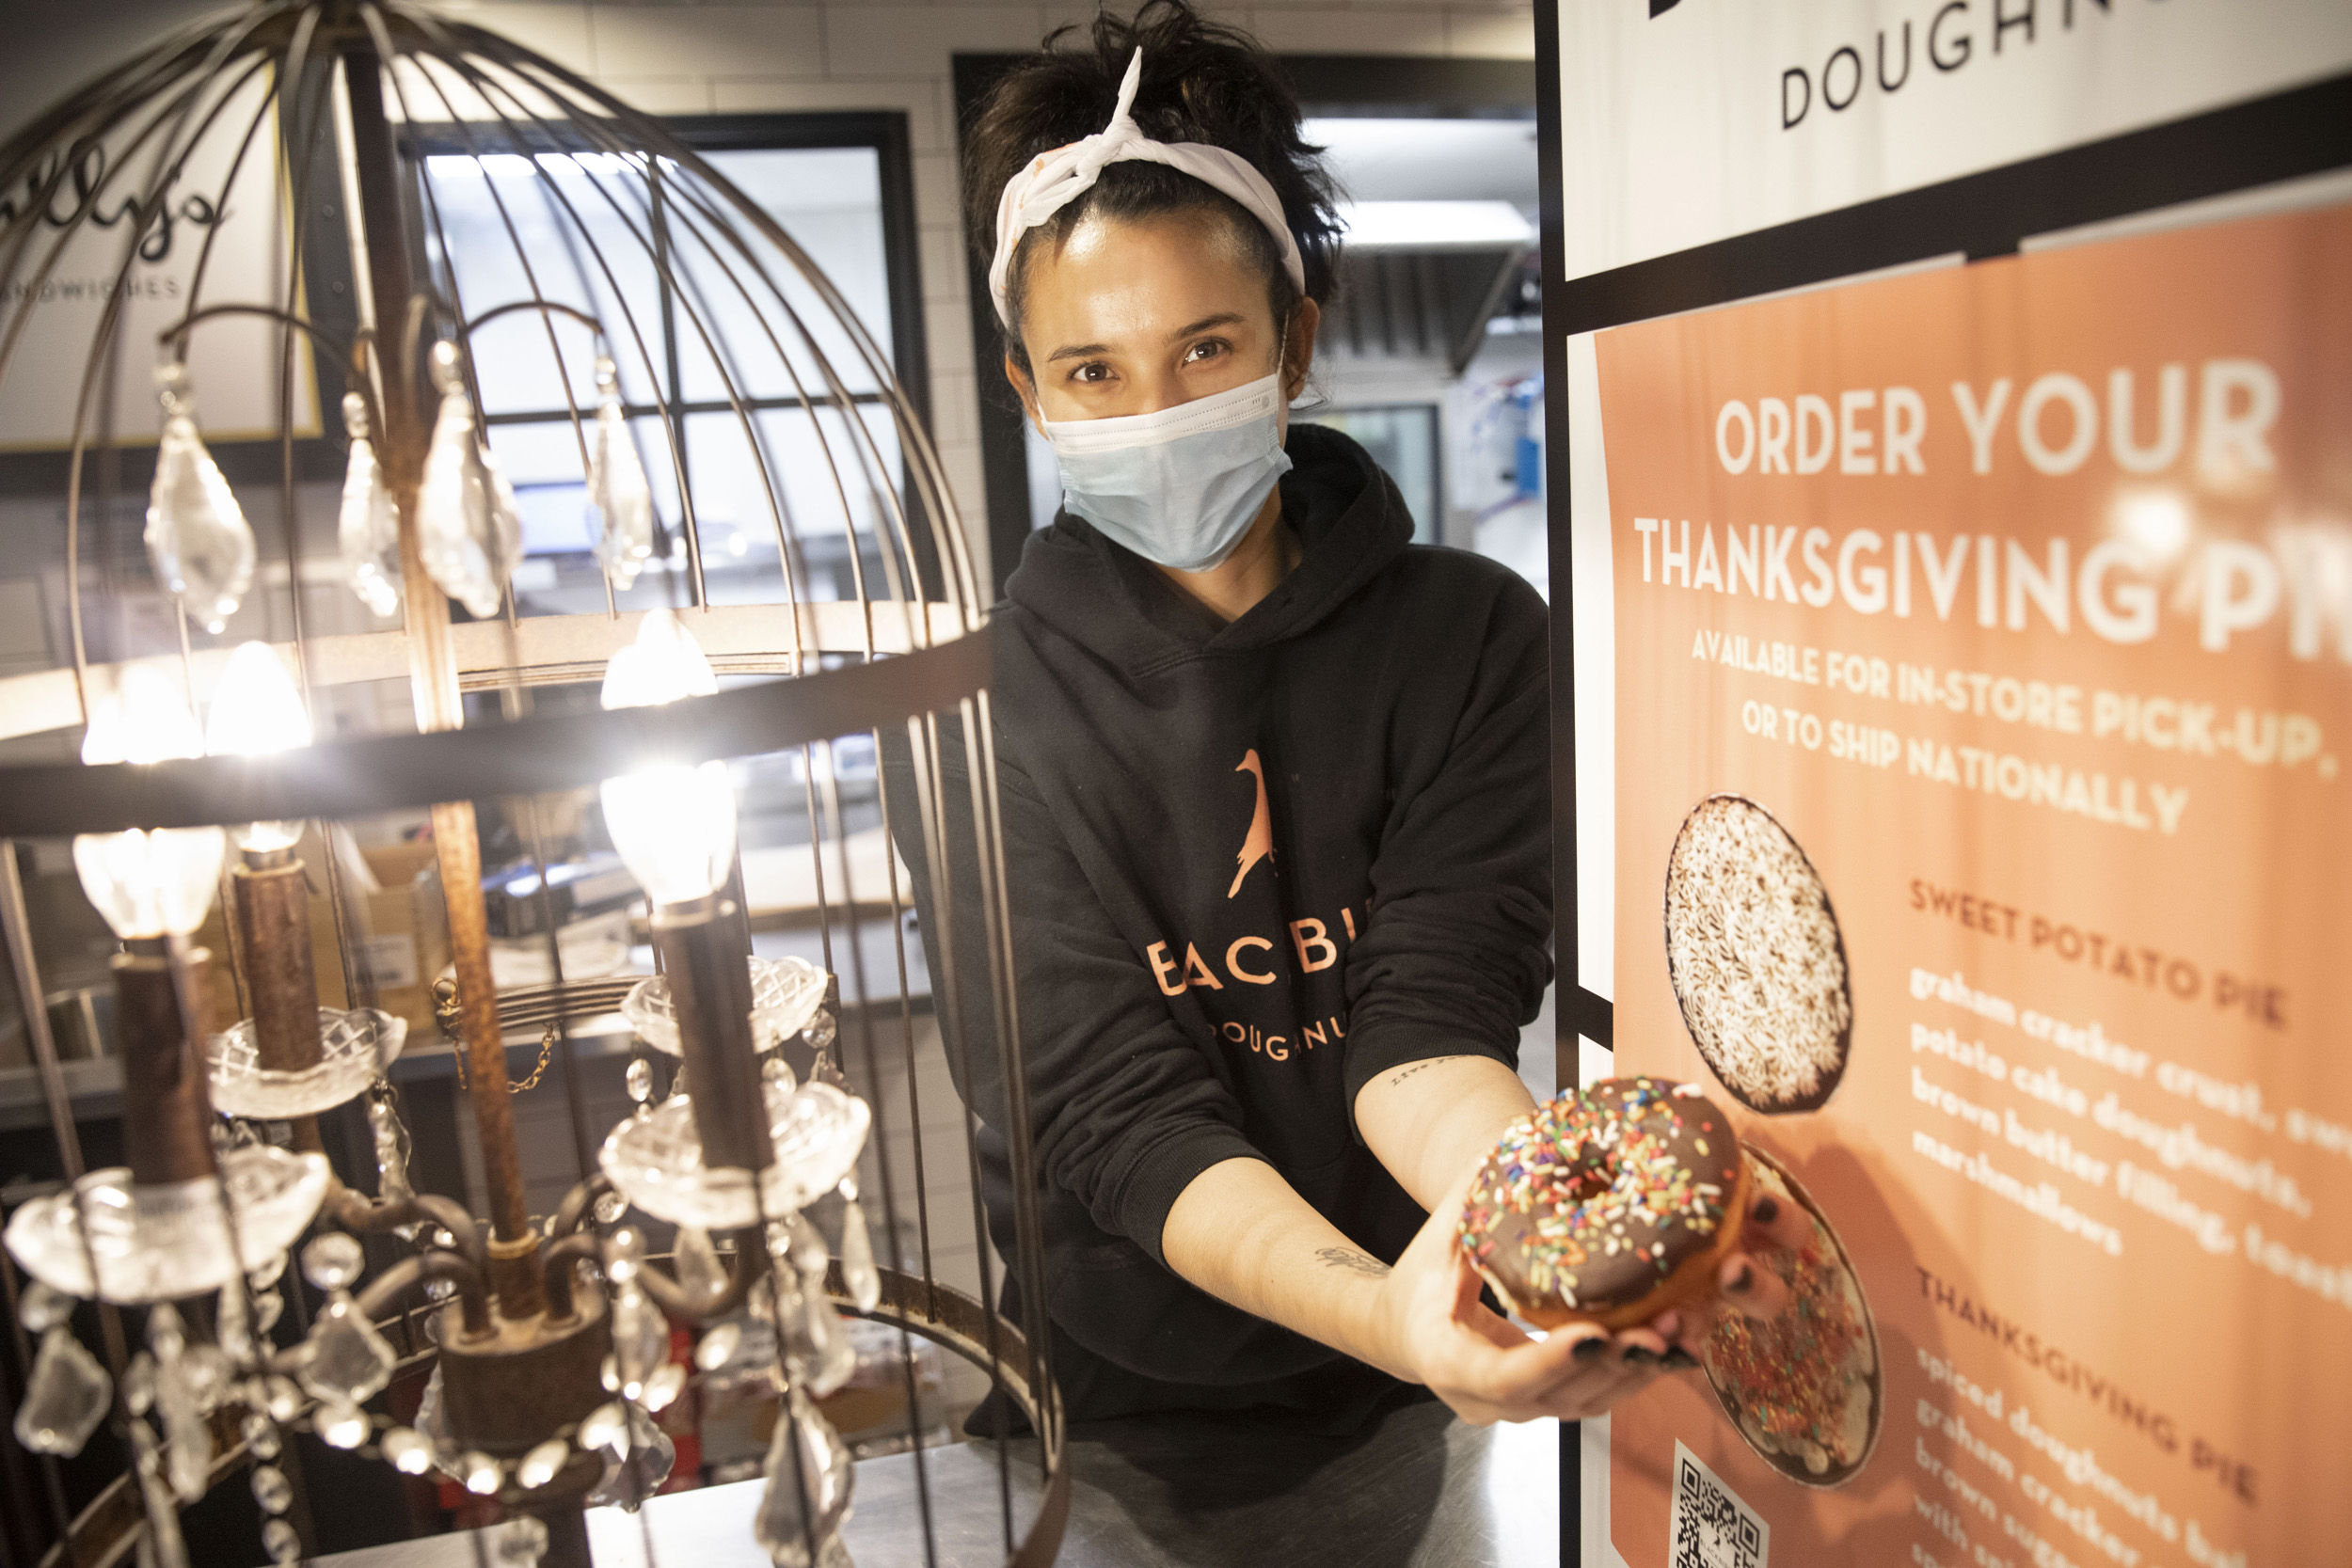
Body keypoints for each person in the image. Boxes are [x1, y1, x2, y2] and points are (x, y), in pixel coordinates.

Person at [898, 1, 1804, 1433]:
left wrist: (1545, 1229)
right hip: (1124, 1391)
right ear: (1027, 390)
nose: (1152, 407)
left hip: (1434, 1336)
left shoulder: (1472, 637)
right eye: (1092, 372)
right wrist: (1381, 1313)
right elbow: (1114, 1113)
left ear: (1294, 341)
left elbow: (1428, 1020)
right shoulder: (967, 715)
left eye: (1204, 349)